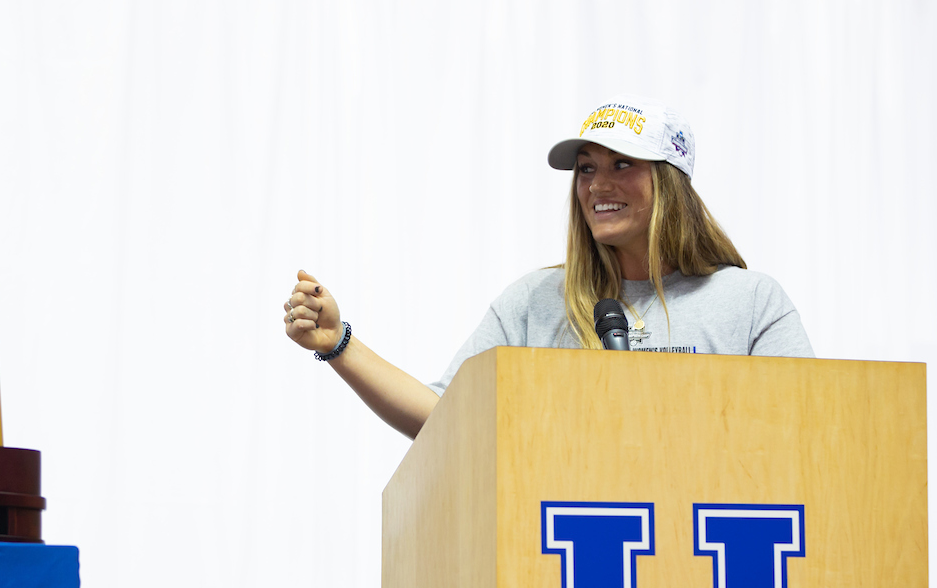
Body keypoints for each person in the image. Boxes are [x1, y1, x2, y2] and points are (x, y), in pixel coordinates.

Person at [283, 94, 813, 439]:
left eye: (621, 164)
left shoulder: (751, 302)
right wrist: (338, 343)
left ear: (670, 181)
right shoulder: (534, 303)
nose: (596, 184)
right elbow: (443, 418)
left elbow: (805, 432)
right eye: (586, 168)